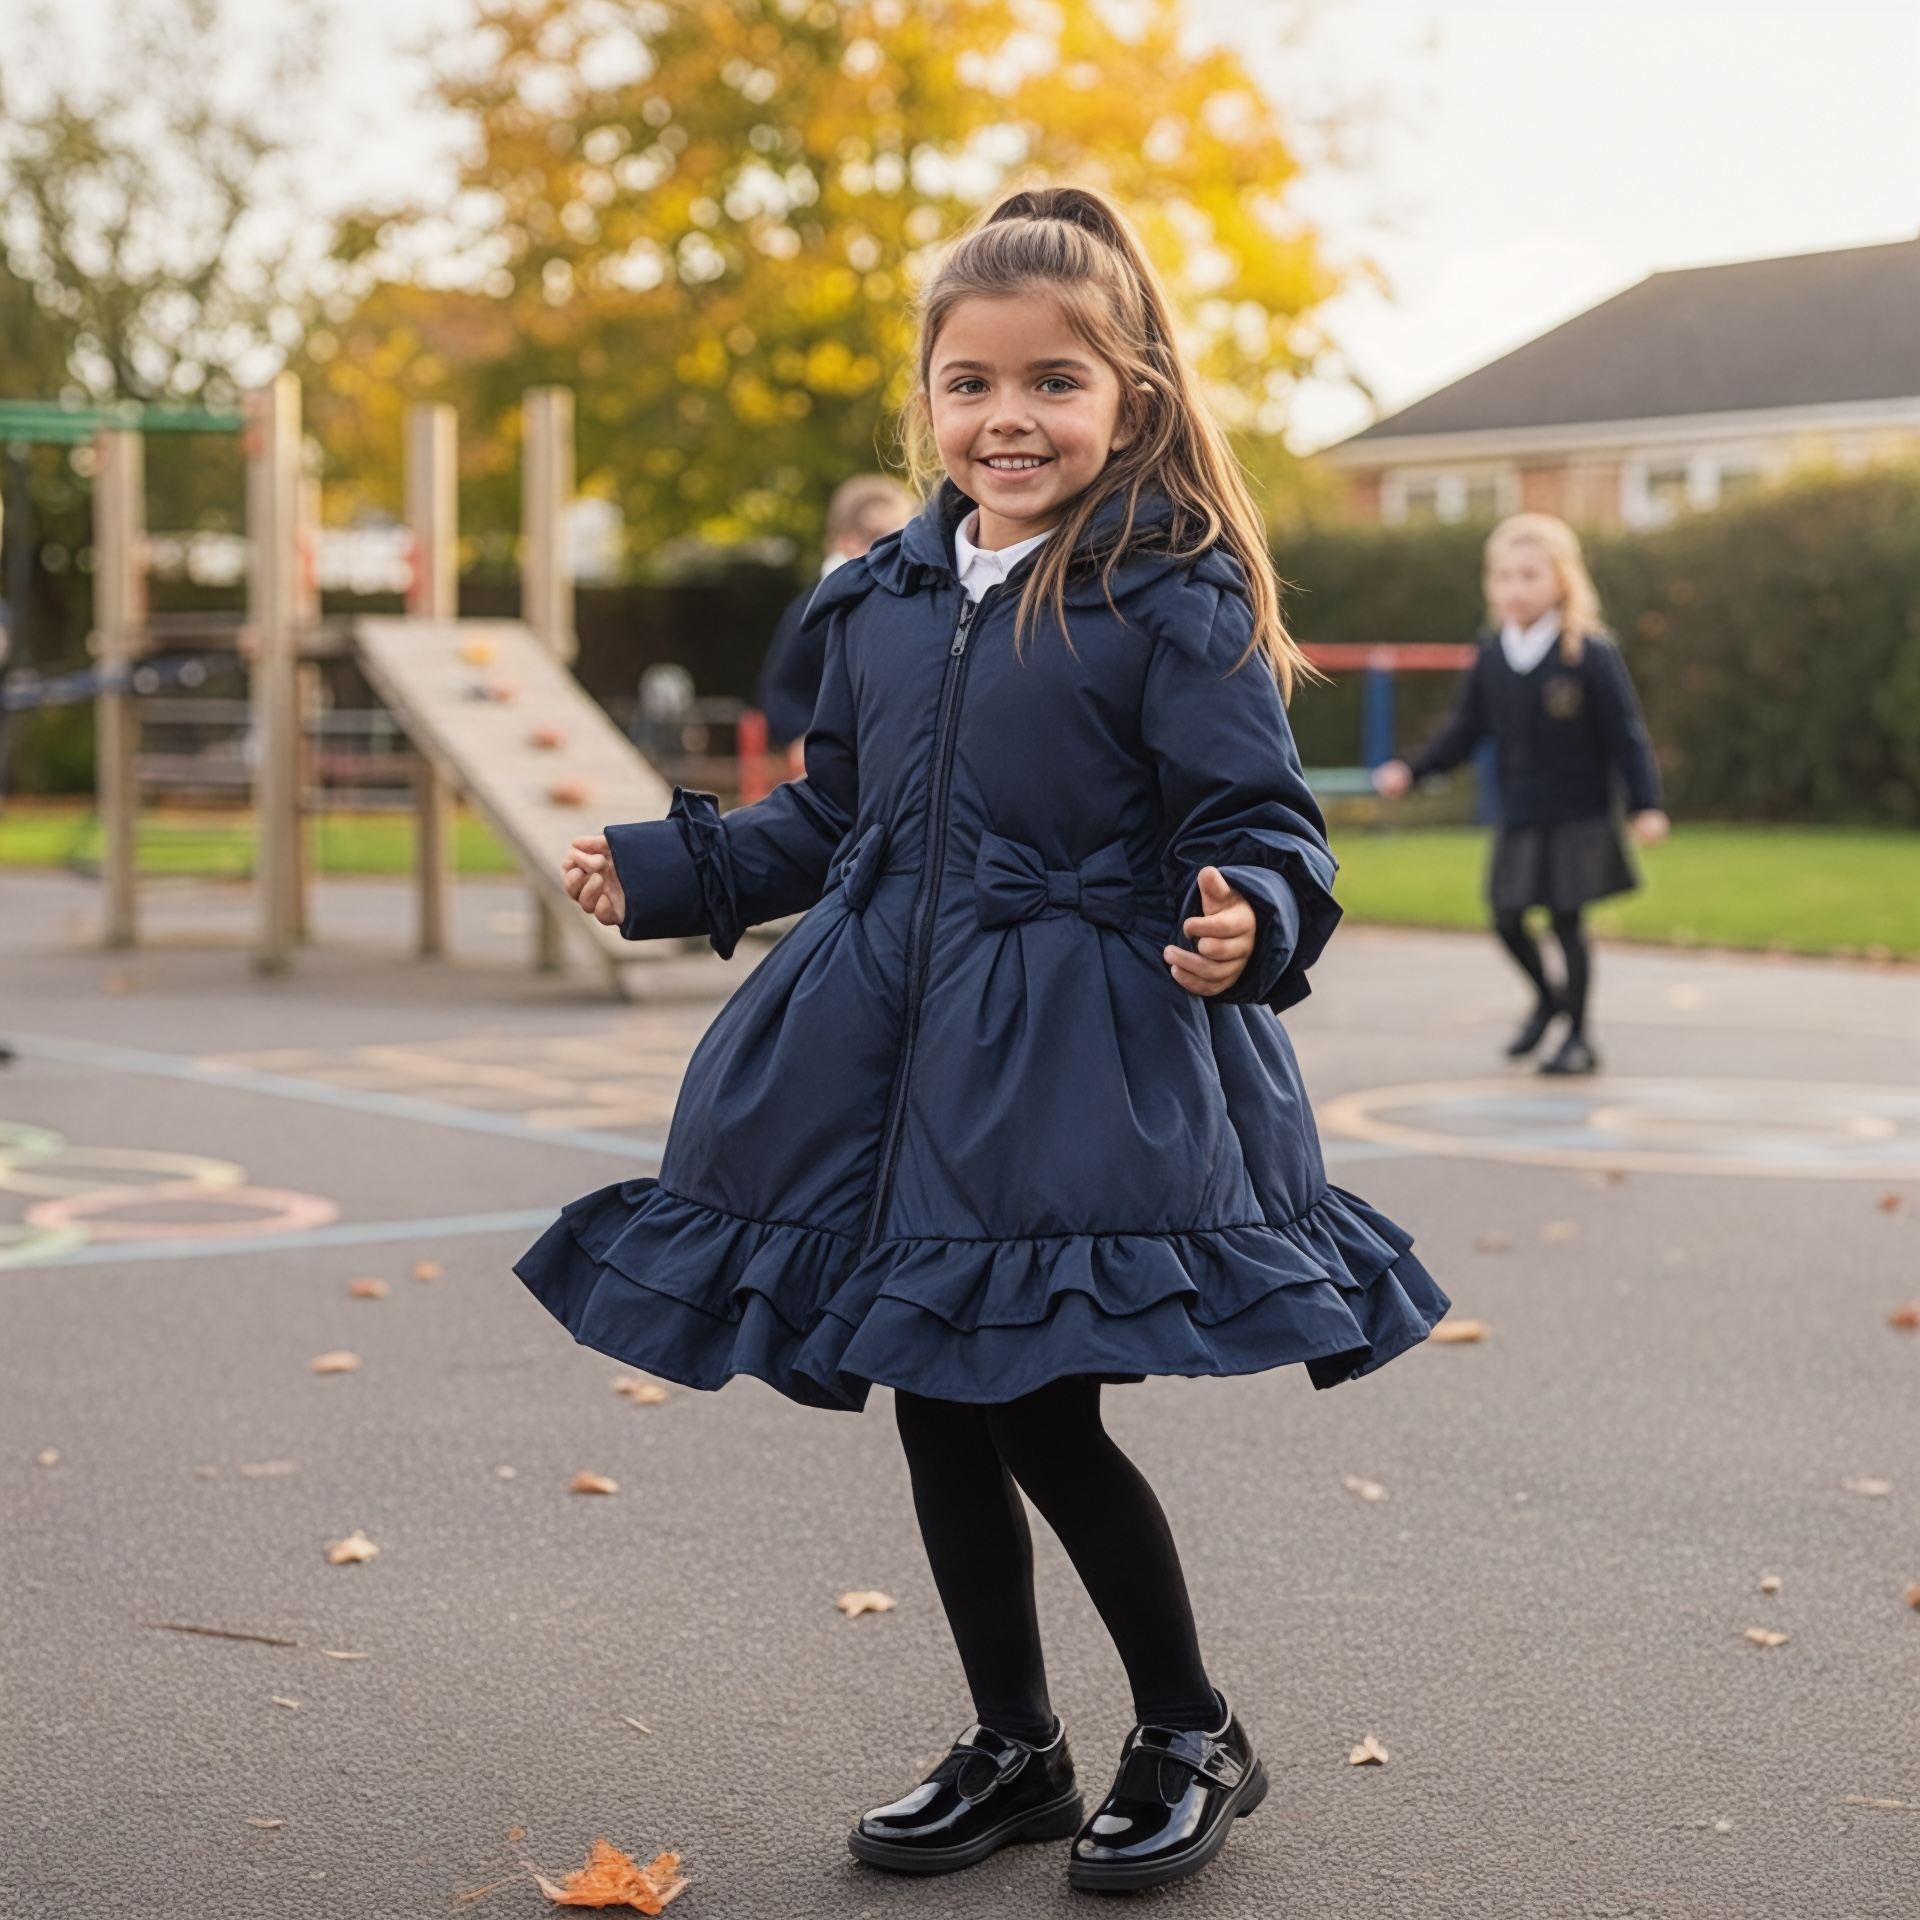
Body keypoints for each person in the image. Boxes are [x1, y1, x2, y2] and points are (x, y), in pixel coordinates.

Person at [527, 186, 1448, 1894]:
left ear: (1132, 404)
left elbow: (1265, 815)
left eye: (1051, 384)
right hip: (891, 1056)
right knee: (936, 1407)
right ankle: (1015, 1745)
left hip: (1071, 1059)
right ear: (927, 401)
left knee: (1032, 1408)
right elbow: (837, 821)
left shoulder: (1165, 599)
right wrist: (674, 870)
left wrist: (1257, 912)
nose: (1006, 418)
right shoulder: (880, 599)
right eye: (969, 383)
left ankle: (1189, 1731)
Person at [1373, 512, 1668, 1075]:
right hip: (1522, 810)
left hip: (1578, 813)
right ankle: (1551, 1001)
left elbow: (1625, 734)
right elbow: (1464, 729)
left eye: (1529, 575)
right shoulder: (1492, 652)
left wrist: (1645, 804)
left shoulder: (1588, 653)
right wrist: (1412, 770)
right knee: (1506, 917)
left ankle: (1578, 1039)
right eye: (1504, 576)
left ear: (1562, 580)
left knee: (1565, 921)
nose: (1515, 588)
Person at [757, 474, 916, 773]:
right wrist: (801, 742)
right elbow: (781, 687)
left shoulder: (894, 597)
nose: (900, 551)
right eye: (885, 538)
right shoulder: (822, 604)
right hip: (835, 756)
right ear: (849, 541)